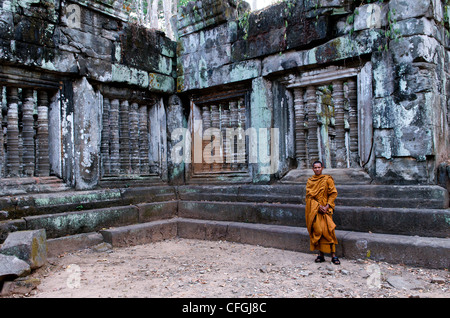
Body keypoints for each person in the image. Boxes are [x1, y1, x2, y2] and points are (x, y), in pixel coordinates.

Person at [305, 160, 340, 265]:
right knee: (318, 231)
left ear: (322, 168)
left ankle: (333, 255)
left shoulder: (327, 179)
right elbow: (309, 197)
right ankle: (321, 255)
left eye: (319, 167)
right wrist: (318, 206)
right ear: (312, 169)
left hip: (326, 210)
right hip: (316, 211)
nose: (317, 169)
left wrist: (327, 205)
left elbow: (333, 193)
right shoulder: (310, 181)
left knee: (329, 232)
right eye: (315, 168)